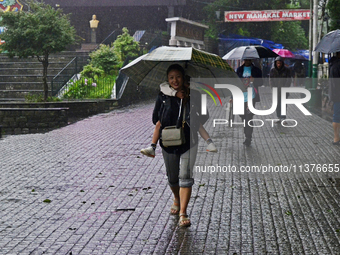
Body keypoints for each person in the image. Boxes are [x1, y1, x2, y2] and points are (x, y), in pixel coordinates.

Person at [150, 64, 207, 227]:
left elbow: (205, 115)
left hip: (189, 141)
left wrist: (190, 101)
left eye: (178, 77)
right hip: (168, 142)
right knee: (173, 178)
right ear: (168, 80)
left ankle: (183, 212)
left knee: (185, 178)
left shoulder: (194, 94)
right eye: (171, 78)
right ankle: (176, 197)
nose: (175, 80)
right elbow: (155, 119)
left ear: (184, 77)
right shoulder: (162, 96)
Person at [140, 76, 217, 158]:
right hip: (175, 124)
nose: (176, 81)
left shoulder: (191, 93)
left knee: (197, 123)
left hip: (187, 119)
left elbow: (203, 114)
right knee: (159, 124)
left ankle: (209, 142)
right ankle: (153, 146)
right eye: (172, 78)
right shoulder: (167, 90)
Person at [234, 59, 263, 146]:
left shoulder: (256, 70)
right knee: (242, 116)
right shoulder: (239, 70)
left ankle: (248, 137)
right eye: (246, 59)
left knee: (248, 117)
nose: (247, 61)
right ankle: (247, 131)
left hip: (251, 97)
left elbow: (261, 82)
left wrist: (254, 81)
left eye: (249, 59)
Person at [269, 56, 292, 125]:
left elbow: (289, 80)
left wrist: (285, 88)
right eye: (277, 63)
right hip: (276, 91)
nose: (278, 65)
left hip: (284, 91)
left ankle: (283, 118)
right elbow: (271, 80)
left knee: (283, 105)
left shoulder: (286, 70)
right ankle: (278, 116)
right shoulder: (273, 70)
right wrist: (273, 88)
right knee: (277, 104)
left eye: (280, 63)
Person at [329, 52, 340, 145]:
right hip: (338, 93)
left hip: (335, 94)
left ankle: (336, 138)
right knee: (337, 116)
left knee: (336, 116)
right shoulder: (337, 65)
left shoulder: (333, 64)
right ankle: (336, 138)